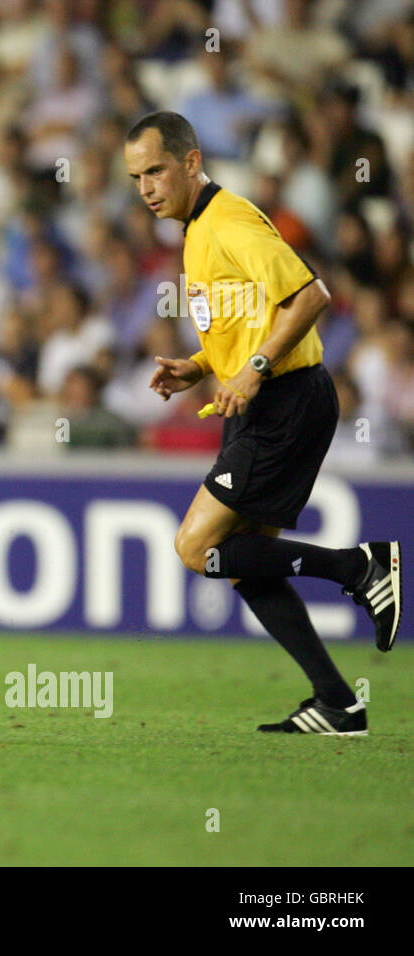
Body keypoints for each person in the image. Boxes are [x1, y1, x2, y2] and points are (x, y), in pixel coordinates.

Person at [124, 111, 400, 736]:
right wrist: (201, 364)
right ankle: (337, 702)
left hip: (283, 401)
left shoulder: (229, 220)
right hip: (264, 401)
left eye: (156, 171)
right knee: (248, 561)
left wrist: (251, 367)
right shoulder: (195, 231)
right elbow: (248, 316)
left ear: (192, 162)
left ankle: (360, 569)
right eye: (136, 176)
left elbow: (311, 296)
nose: (145, 187)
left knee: (196, 548)